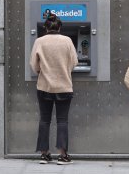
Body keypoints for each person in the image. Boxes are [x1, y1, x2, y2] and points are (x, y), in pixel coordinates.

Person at [30, 11, 78, 165]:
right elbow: (74, 62)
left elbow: (33, 64)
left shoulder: (39, 41)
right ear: (59, 28)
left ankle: (44, 154)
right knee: (62, 121)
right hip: (64, 86)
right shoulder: (67, 41)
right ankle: (63, 155)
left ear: (45, 27)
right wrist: (64, 70)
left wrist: (42, 71)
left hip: (44, 86)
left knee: (44, 120)